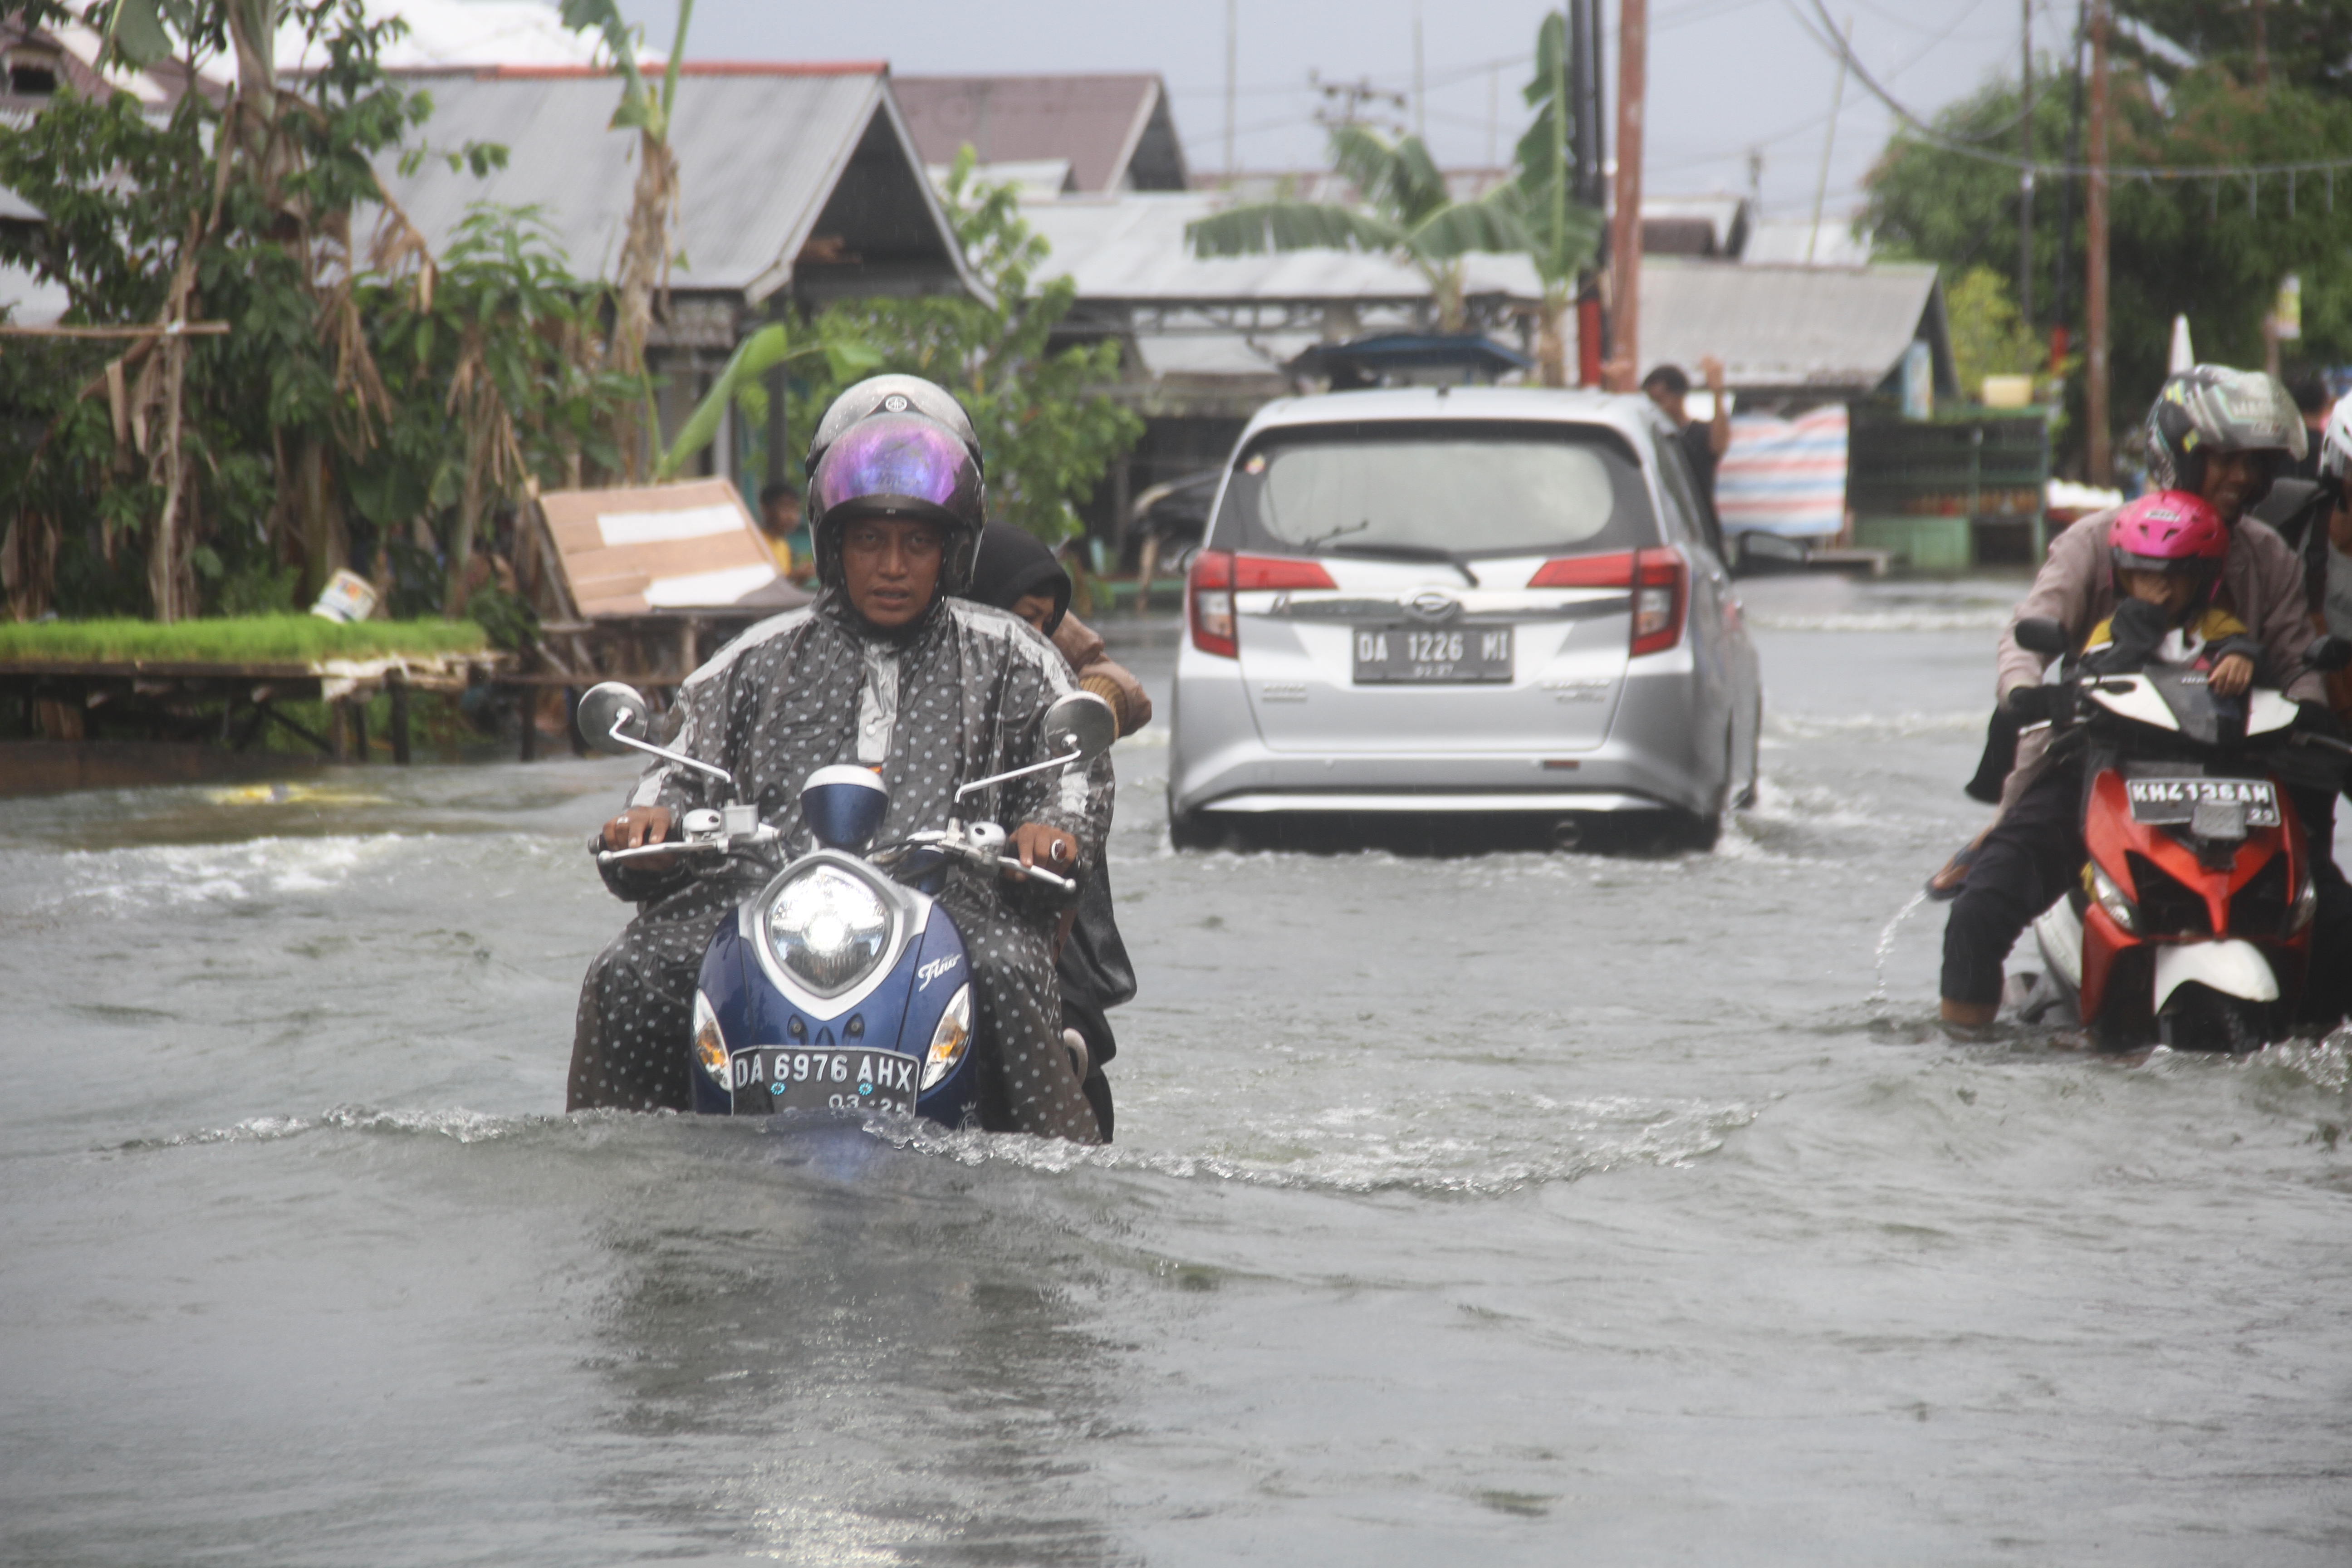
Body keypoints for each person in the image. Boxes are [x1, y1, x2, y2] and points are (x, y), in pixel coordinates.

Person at [568, 386, 1112, 1143]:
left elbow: (1071, 770)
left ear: (952, 547)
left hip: (952, 908)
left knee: (1010, 972)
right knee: (627, 974)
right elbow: (675, 763)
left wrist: (1050, 830)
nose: (891, 565)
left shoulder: (1016, 658)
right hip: (763, 908)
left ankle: (1069, 1186)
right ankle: (608, 1174)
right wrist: (647, 820)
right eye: (868, 541)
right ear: (833, 543)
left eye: (916, 543)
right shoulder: (748, 662)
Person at [1937, 366, 2347, 1029]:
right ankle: (1959, 1056)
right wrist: (2021, 690)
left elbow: (2299, 660)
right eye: (2225, 459)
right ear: (2178, 453)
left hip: (2236, 779)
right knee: (1978, 914)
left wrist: (2307, 708)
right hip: (2096, 767)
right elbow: (2025, 636)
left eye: (2255, 464)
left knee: (2335, 927)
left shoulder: (2267, 555)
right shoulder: (2093, 541)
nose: (2243, 477)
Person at [961, 521, 1153, 1140]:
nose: (892, 566)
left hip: (1013, 862)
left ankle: (1067, 1041)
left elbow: (1121, 685)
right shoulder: (826, 651)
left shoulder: (1032, 655)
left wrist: (1070, 717)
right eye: (868, 540)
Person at [1642, 357, 1731, 511]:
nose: (1655, 408)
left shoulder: (1699, 433)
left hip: (1696, 523)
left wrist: (1717, 390)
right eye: (1651, 402)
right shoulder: (1650, 436)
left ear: (1680, 397)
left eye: (1660, 401)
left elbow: (1719, 444)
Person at [756, 481, 811, 584]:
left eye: (795, 509)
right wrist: (794, 574)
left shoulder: (783, 546)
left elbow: (783, 594)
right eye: (785, 508)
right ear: (765, 510)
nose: (792, 517)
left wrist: (800, 579)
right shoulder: (756, 542)